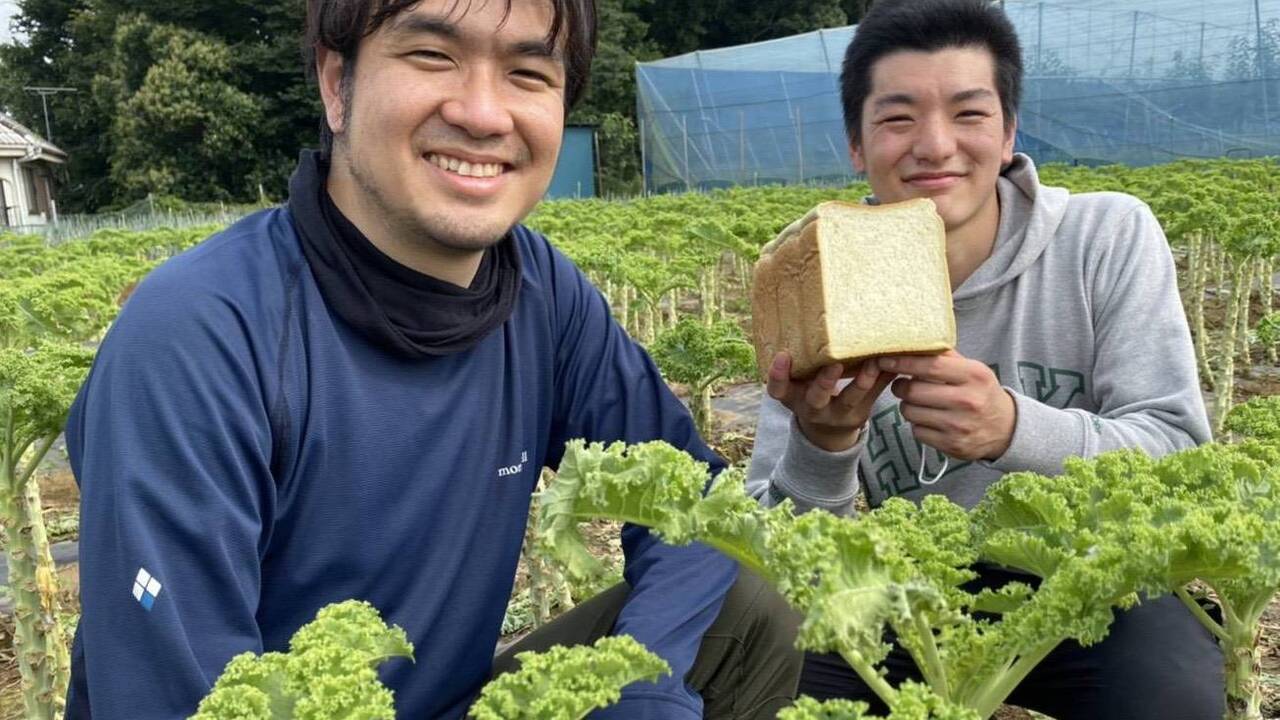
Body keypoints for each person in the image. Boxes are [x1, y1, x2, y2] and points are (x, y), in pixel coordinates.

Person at [65, 0, 800, 717]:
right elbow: (184, 697)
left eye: (528, 73)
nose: (483, 114)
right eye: (432, 55)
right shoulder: (202, 331)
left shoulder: (542, 292)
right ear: (335, 84)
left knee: (747, 608)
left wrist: (643, 691)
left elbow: (694, 502)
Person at [746, 1, 1222, 718]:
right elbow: (772, 551)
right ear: (855, 145)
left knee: (1174, 697)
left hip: (1096, 584)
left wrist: (1011, 430)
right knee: (760, 678)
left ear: (1007, 136)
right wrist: (824, 444)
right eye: (898, 117)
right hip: (911, 596)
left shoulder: (1105, 235)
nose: (935, 146)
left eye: (969, 114)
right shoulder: (815, 271)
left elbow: (1182, 458)